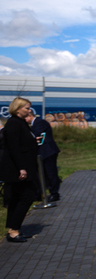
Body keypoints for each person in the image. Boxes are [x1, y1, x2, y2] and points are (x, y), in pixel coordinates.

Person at [0, 98, 39, 243]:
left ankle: (12, 229)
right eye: (27, 108)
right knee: (27, 196)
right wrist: (21, 168)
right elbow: (14, 148)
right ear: (18, 109)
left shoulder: (21, 123)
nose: (29, 111)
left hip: (23, 166)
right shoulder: (14, 124)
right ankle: (14, 230)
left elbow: (22, 142)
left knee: (16, 199)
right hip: (17, 169)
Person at [29, 112, 61, 202]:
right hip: (42, 152)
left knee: (51, 172)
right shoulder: (35, 123)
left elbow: (37, 134)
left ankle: (54, 193)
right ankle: (40, 193)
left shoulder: (39, 122)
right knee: (43, 173)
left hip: (48, 151)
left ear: (29, 116)